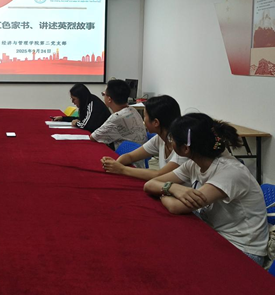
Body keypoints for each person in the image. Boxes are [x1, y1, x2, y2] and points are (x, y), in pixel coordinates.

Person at [143, 113, 268, 266]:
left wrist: (163, 193)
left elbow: (176, 207)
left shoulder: (230, 172)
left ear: (185, 148)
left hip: (243, 251)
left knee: (172, 257)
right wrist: (173, 188)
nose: (170, 143)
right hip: (215, 232)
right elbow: (150, 185)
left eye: (172, 139)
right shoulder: (194, 164)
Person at [101, 95, 189, 177]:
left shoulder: (182, 149)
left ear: (156, 122)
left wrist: (121, 169)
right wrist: (115, 164)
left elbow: (159, 175)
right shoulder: (160, 138)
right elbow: (130, 156)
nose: (144, 121)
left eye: (145, 116)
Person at [90, 79, 147, 150]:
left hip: (126, 155)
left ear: (109, 99)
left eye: (104, 94)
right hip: (140, 153)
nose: (103, 97)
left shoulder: (116, 118)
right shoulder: (132, 109)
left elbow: (93, 137)